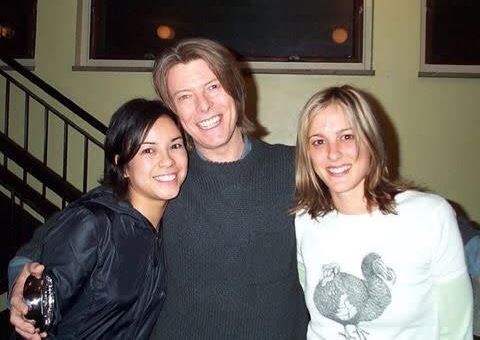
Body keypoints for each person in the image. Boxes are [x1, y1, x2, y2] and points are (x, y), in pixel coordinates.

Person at [9, 38, 308, 339]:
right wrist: (21, 287)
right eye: (185, 96)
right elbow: (49, 240)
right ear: (172, 110)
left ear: (236, 88)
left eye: (213, 86)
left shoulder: (296, 166)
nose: (204, 106)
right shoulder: (165, 176)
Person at [292, 85, 473, 339]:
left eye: (347, 136)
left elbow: (456, 329)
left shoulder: (430, 216)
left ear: (371, 140)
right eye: (319, 142)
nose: (333, 154)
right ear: (308, 155)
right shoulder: (305, 222)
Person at [8, 99, 188, 339]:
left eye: (175, 146)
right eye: (148, 150)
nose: (168, 161)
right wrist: (21, 278)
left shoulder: (174, 221)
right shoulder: (93, 224)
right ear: (121, 166)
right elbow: (32, 326)